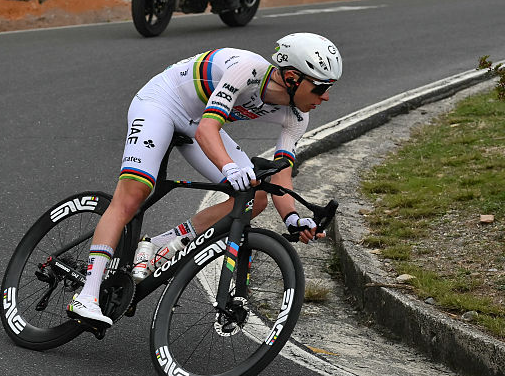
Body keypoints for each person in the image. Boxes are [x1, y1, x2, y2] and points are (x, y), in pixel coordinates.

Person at [67, 33, 342, 327]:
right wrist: (229, 168)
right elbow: (207, 131)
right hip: (162, 103)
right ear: (291, 77)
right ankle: (88, 293)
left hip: (196, 120)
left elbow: (281, 173)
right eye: (320, 88)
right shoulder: (246, 69)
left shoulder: (297, 118)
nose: (325, 97)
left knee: (255, 197)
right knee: (133, 195)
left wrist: (293, 218)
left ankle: (161, 245)